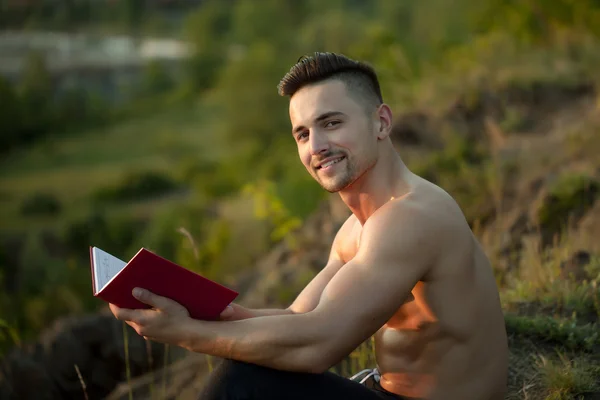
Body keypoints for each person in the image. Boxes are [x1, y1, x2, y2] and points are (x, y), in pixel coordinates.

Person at [109, 52, 509, 400]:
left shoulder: (412, 215)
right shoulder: (356, 230)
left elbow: (318, 345)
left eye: (331, 123)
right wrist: (208, 312)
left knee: (242, 382)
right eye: (303, 133)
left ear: (381, 123)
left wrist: (186, 335)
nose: (315, 146)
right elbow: (299, 317)